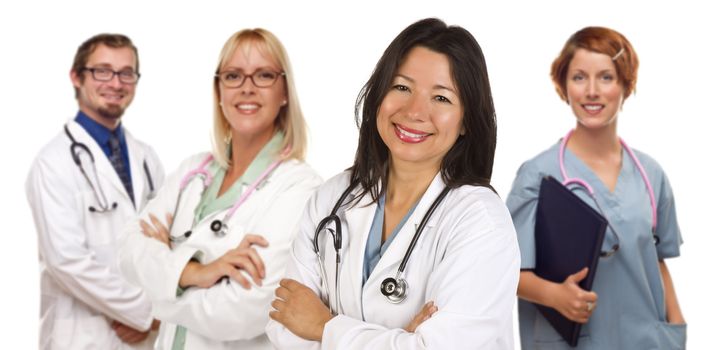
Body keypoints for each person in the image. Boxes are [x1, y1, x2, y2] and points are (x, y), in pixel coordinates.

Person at [266, 18, 520, 349]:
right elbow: (283, 327)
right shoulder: (331, 198)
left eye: (441, 98)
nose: (415, 111)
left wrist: (323, 326)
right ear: (378, 95)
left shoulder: (480, 223)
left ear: (466, 122)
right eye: (401, 87)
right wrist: (400, 340)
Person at [118, 28, 322, 349]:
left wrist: (160, 285)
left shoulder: (299, 187)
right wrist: (195, 273)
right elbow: (127, 250)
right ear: (219, 90)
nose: (247, 89)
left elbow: (244, 310)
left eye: (264, 75)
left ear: (284, 91)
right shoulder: (192, 172)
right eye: (233, 76)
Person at [507, 26, 686, 349]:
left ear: (625, 86)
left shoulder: (651, 173)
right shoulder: (538, 175)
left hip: (647, 340)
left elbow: (657, 260)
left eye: (606, 77)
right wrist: (554, 296)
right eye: (579, 77)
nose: (592, 91)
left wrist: (676, 329)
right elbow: (506, 271)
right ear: (563, 85)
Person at [25, 34, 164, 349]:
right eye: (102, 71)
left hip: (145, 340)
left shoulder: (146, 158)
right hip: (81, 337)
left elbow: (167, 244)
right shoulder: (53, 163)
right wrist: (146, 312)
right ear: (76, 76)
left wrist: (160, 314)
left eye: (126, 73)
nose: (116, 83)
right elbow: (67, 260)